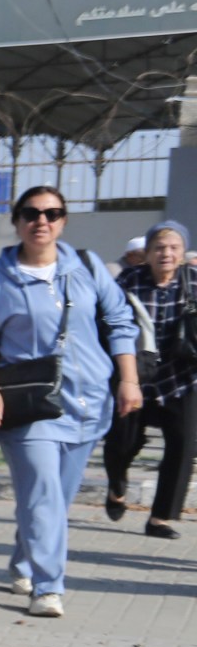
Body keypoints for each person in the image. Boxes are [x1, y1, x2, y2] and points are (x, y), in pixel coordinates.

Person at [0, 185, 141, 618]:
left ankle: (24, 559)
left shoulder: (86, 266)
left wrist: (129, 379)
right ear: (17, 222)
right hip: (29, 408)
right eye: (31, 213)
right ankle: (49, 587)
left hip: (88, 402)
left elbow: (121, 320)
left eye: (52, 213)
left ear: (64, 220)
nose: (41, 221)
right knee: (44, 494)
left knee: (51, 499)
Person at [102, 221, 191, 538]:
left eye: (173, 248)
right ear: (147, 253)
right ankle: (117, 487)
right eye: (159, 248)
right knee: (122, 444)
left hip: (182, 378)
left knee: (182, 445)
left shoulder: (193, 281)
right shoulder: (128, 281)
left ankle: (160, 518)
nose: (166, 254)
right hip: (134, 376)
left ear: (182, 253)